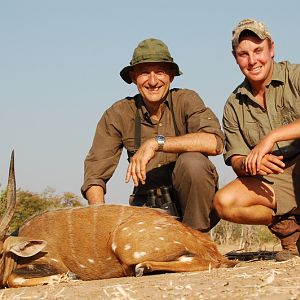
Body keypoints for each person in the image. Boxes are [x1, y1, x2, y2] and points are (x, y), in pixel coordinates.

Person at [81, 38, 224, 232]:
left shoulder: (186, 99)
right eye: (144, 73)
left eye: (160, 72)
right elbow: (95, 175)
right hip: (149, 211)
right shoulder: (118, 114)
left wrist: (155, 143)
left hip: (195, 207)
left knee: (193, 162)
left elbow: (214, 142)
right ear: (133, 77)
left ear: (171, 76)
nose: (153, 81)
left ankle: (196, 238)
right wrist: (99, 218)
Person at [213, 19, 300, 260]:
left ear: (271, 49)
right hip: (275, 179)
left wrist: (271, 137)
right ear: (235, 58)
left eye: (258, 50)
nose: (252, 61)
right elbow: (236, 157)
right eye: (244, 54)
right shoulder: (233, 103)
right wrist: (250, 165)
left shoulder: (296, 75)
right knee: (224, 203)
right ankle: (290, 231)